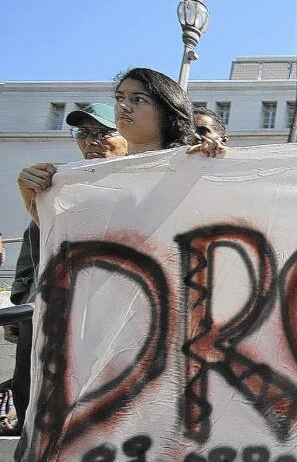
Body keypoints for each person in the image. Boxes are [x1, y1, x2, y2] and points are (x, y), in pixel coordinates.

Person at [9, 104, 130, 432]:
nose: (93, 141)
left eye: (104, 132)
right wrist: (22, 301)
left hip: (111, 312)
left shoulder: (143, 186)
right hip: (50, 310)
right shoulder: (57, 187)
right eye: (85, 133)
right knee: (34, 392)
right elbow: (34, 246)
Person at [16, 68, 224, 221]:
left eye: (138, 99)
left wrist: (216, 163)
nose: (123, 106)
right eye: (119, 97)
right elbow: (70, 241)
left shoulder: (194, 164)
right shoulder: (87, 180)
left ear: (168, 110)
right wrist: (32, 199)